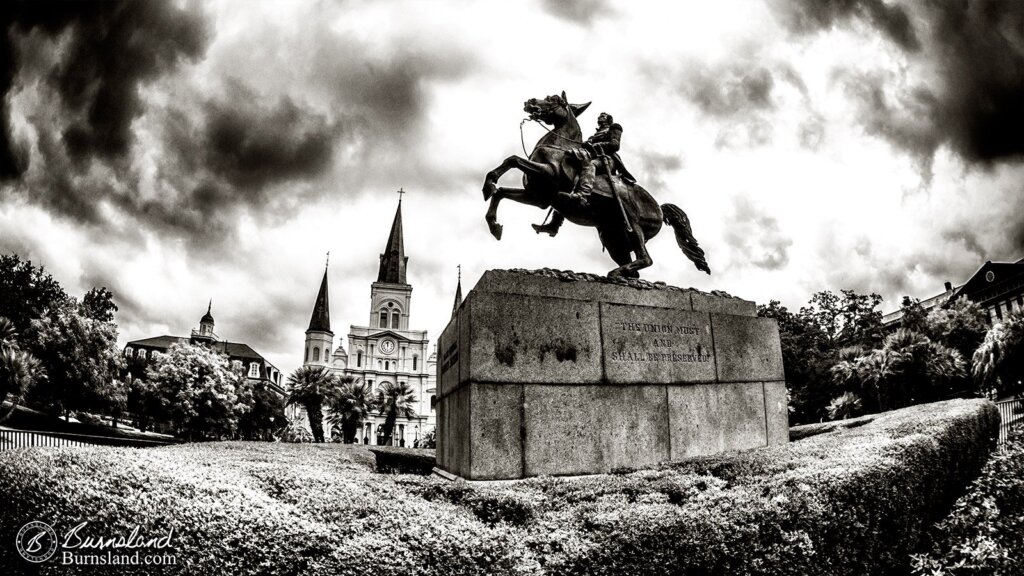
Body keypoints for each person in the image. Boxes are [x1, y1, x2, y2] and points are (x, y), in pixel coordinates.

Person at [532, 112, 635, 236]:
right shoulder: (596, 133)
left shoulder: (614, 128)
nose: (600, 116)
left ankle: (583, 194)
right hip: (591, 157)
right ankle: (555, 224)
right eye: (600, 115)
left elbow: (615, 145)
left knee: (591, 165)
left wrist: (594, 145)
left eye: (603, 115)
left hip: (606, 159)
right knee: (567, 179)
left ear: (608, 119)